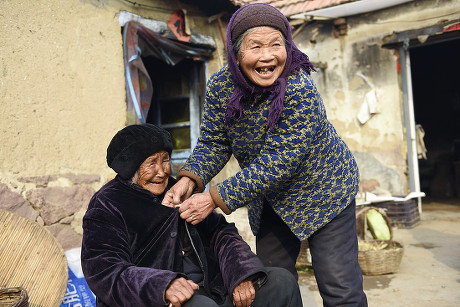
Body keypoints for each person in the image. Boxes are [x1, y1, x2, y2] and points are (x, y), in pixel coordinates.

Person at [162, 3, 368, 306]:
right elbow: (214, 142)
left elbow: (279, 161)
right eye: (254, 46)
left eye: (276, 44)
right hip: (270, 200)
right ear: (235, 53)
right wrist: (189, 180)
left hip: (325, 193)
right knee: (271, 283)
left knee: (339, 288)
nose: (267, 56)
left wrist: (213, 199)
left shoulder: (299, 88)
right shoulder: (221, 86)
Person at [80, 123, 302, 307]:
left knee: (282, 283)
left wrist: (241, 274)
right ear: (131, 169)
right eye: (151, 164)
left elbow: (221, 234)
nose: (163, 171)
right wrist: (162, 286)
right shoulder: (108, 204)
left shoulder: (179, 189)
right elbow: (104, 269)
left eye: (165, 159)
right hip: (158, 300)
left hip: (212, 289)